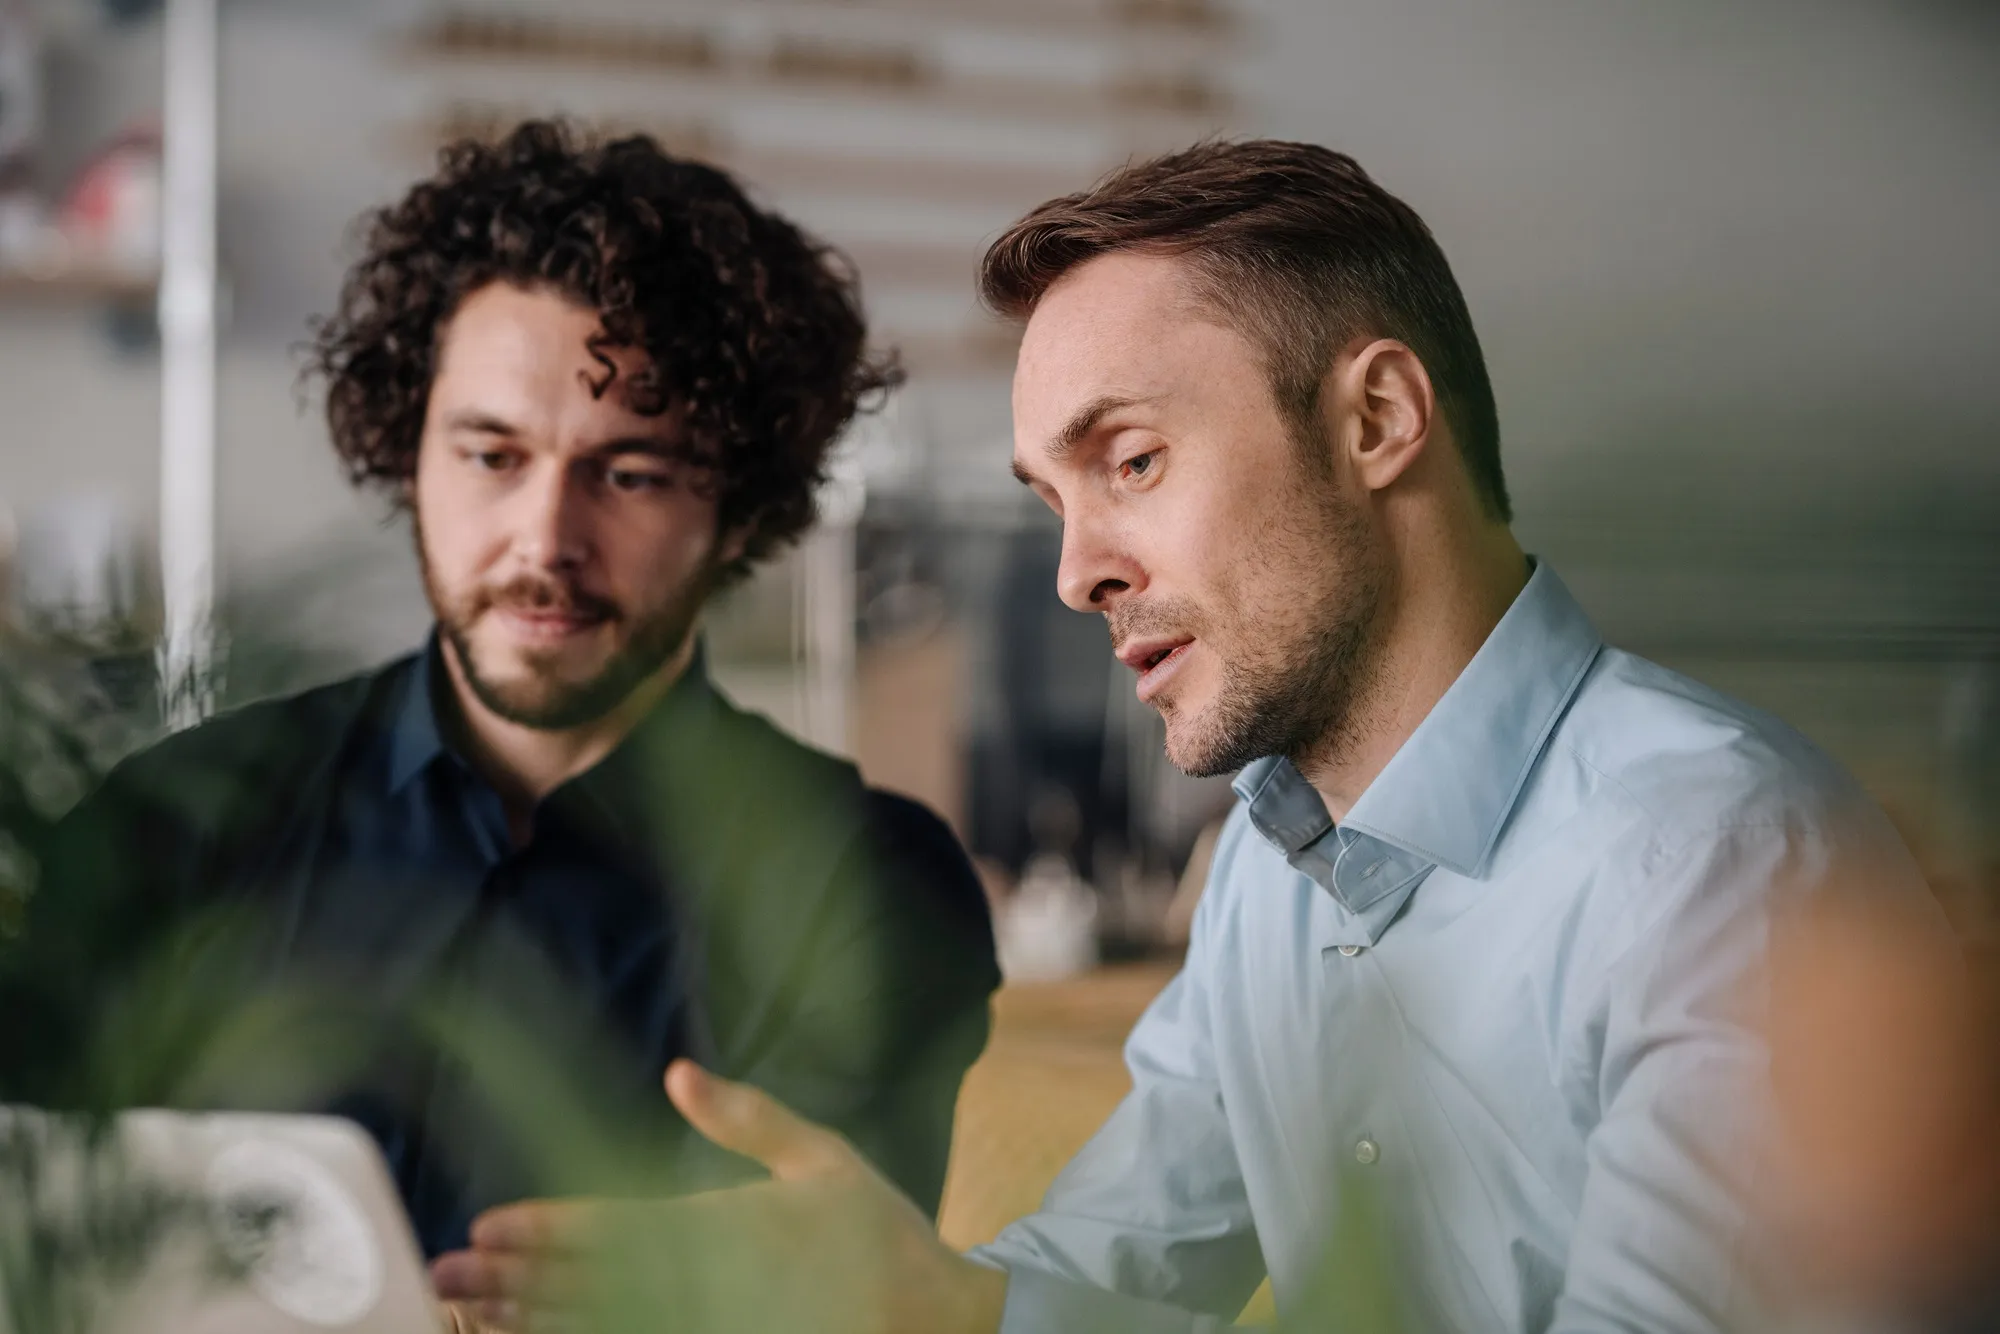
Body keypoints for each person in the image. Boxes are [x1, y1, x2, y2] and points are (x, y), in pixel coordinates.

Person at [434, 139, 1935, 1333]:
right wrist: (916, 1302)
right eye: (1053, 499)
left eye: (1132, 460)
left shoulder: (1724, 867)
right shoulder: (1272, 875)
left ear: (1376, 421)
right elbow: (1119, 1282)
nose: (1078, 568)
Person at [0, 120, 998, 1259]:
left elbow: (833, 1275)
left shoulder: (864, 885)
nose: (545, 538)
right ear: (406, 451)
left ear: (741, 513)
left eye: (628, 473)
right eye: (490, 456)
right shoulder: (172, 820)